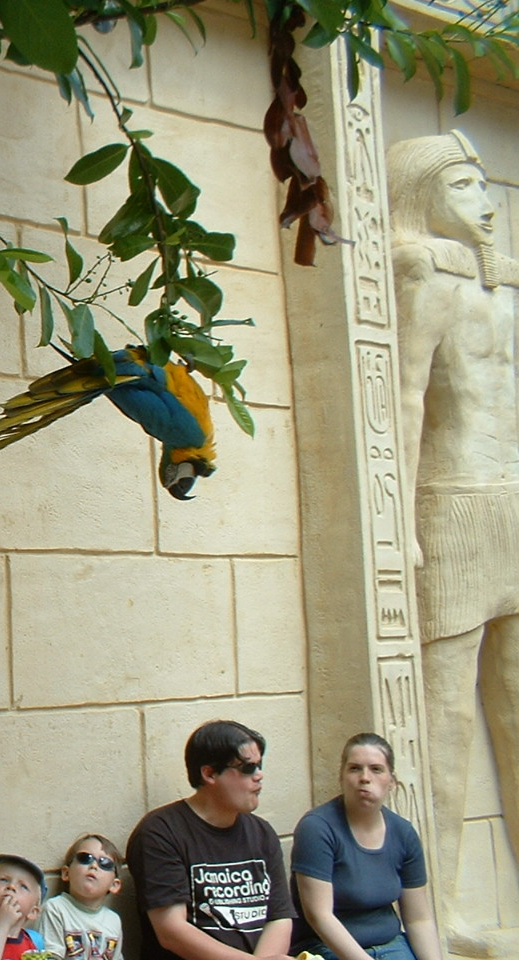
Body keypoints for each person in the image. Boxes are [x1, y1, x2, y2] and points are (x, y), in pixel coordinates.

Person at [388, 129, 519, 952]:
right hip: (454, 504)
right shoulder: (426, 280)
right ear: (426, 194)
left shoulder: (506, 293)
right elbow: (402, 398)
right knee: (443, 725)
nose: (488, 202)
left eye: (486, 185)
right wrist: (398, 523)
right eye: (465, 186)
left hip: (513, 500)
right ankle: (443, 911)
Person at [125, 719, 296, 960]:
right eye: (248, 768)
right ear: (209, 773)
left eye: (260, 765)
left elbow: (279, 918)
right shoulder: (159, 832)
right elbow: (172, 932)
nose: (259, 776)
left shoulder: (262, 833)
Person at [289, 733, 442, 960]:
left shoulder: (403, 833)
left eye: (376, 769)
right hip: (327, 948)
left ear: (391, 781)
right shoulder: (317, 828)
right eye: (354, 769)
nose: (364, 777)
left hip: (391, 945)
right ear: (341, 776)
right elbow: (319, 916)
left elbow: (418, 919)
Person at [38, 832, 124, 959]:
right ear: (66, 873)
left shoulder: (113, 920)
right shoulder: (56, 909)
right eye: (85, 858)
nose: (93, 866)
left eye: (105, 863)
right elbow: (51, 956)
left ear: (114, 885)